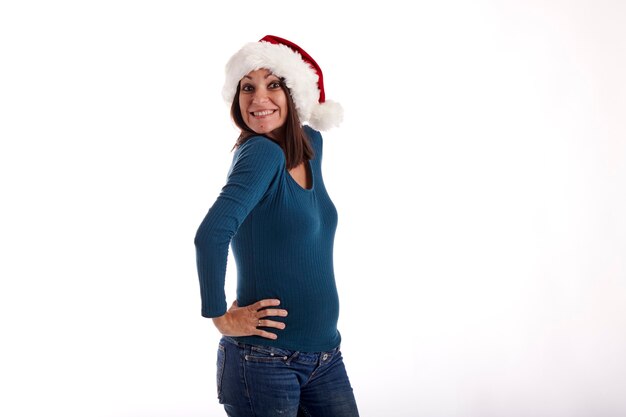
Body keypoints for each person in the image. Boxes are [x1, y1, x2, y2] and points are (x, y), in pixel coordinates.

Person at [194, 35, 359, 417]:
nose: (258, 98)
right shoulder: (260, 152)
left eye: (273, 84)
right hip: (265, 360)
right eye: (247, 87)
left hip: (325, 356)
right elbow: (211, 235)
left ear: (295, 94)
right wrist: (219, 315)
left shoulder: (310, 144)